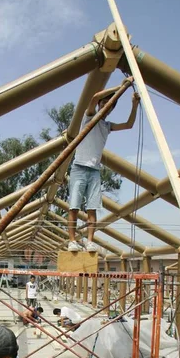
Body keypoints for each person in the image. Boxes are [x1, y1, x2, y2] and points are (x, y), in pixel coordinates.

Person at [68, 80, 140, 252]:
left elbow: (129, 125)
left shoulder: (107, 126)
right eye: (104, 103)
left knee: (92, 207)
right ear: (100, 105)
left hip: (94, 170)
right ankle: (72, 241)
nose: (106, 106)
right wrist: (120, 87)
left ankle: (90, 241)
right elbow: (93, 97)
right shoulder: (89, 117)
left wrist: (134, 105)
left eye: (110, 105)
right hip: (79, 167)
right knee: (74, 206)